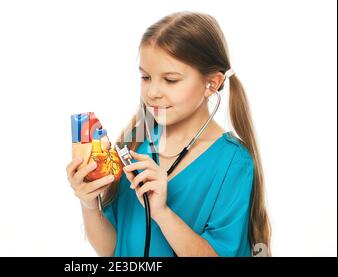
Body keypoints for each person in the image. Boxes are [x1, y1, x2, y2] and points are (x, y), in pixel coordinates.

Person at [66, 11, 271, 257]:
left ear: (212, 84)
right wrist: (89, 205)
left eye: (171, 80)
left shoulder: (232, 162)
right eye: (145, 77)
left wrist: (162, 213)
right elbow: (113, 250)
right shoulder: (134, 143)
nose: (152, 92)